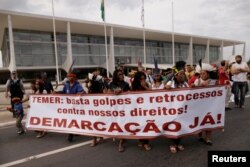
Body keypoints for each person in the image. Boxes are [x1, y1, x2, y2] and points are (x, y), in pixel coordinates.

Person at [193, 63, 218, 145]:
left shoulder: (213, 81)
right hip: (199, 105)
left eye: (203, 73)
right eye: (200, 73)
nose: (202, 75)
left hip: (210, 105)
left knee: (209, 121)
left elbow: (217, 90)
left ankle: (208, 138)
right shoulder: (197, 80)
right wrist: (193, 86)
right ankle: (200, 135)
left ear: (208, 74)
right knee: (199, 121)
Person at [165, 69, 187, 153]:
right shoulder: (170, 83)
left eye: (183, 74)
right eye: (181, 74)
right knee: (172, 127)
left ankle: (178, 143)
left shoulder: (185, 83)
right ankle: (172, 144)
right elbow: (163, 91)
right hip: (172, 109)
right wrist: (166, 87)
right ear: (176, 75)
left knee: (180, 126)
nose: (183, 75)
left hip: (182, 109)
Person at [108, 69, 130, 152]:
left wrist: (123, 92)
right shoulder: (111, 84)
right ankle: (122, 137)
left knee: (122, 122)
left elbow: (129, 94)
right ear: (116, 76)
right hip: (114, 108)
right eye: (120, 74)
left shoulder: (126, 84)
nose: (122, 75)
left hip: (123, 108)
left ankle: (121, 143)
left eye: (122, 74)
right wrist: (114, 91)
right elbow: (108, 93)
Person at [59, 72, 84, 142]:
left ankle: (71, 134)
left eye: (70, 77)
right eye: (68, 77)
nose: (69, 78)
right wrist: (57, 93)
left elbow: (82, 92)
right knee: (70, 119)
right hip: (68, 106)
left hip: (76, 106)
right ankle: (73, 131)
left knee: (74, 119)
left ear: (74, 77)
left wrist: (79, 94)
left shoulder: (78, 85)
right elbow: (63, 92)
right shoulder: (66, 84)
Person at [132, 71, 152, 151]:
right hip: (138, 108)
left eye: (144, 78)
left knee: (146, 125)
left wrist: (145, 87)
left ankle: (146, 143)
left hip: (146, 108)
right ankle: (140, 140)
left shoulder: (146, 84)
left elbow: (152, 93)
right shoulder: (134, 85)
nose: (143, 80)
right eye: (141, 78)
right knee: (139, 125)